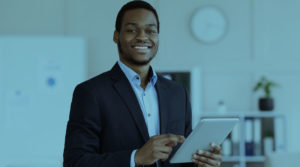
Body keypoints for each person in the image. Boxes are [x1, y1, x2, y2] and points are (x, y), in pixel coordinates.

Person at [63, 1, 222, 167]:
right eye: (132, 30)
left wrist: (203, 162)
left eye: (151, 31)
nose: (142, 36)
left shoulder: (177, 92)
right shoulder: (91, 93)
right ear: (116, 36)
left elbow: (183, 159)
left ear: (157, 37)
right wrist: (135, 158)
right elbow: (75, 162)